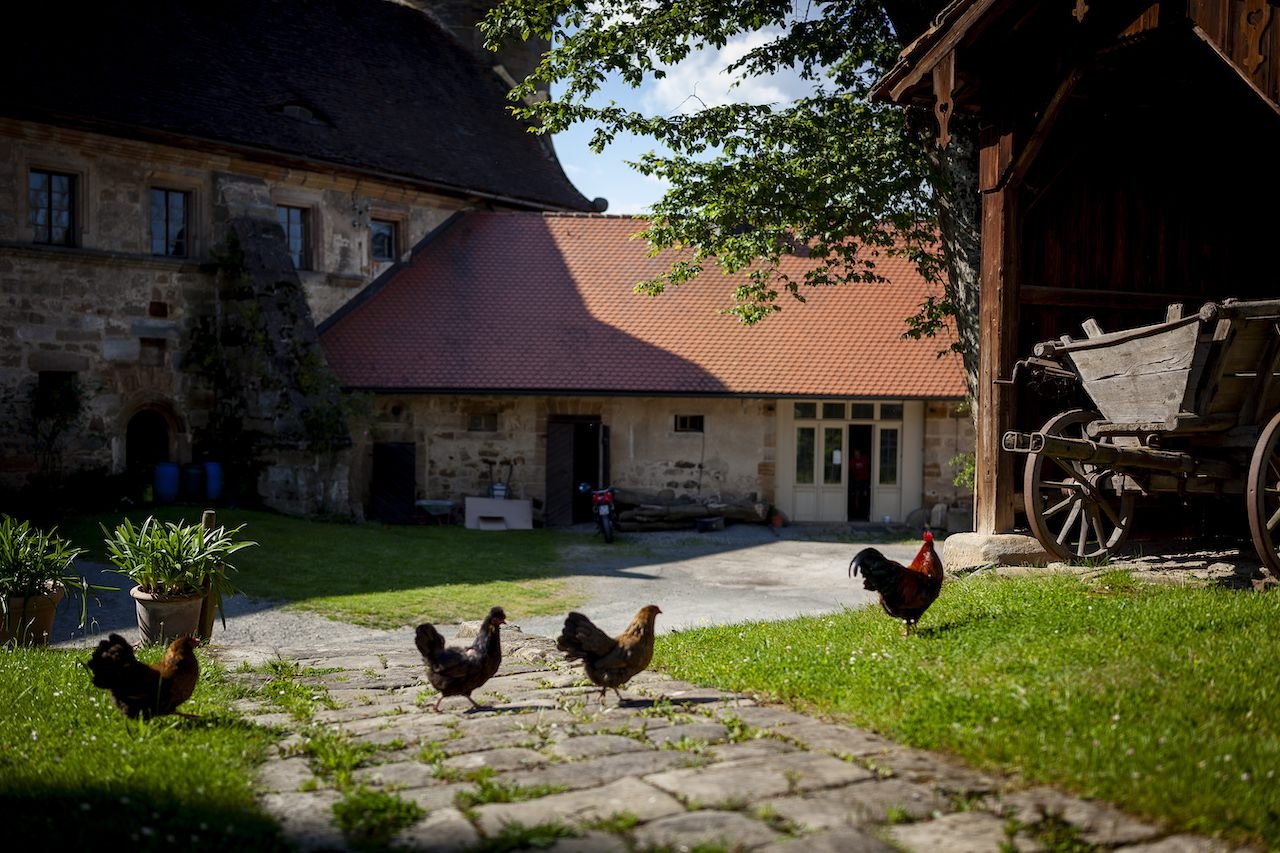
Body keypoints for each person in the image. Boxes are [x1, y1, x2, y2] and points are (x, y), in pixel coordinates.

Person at [851, 448, 871, 520]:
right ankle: (856, 513)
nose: (856, 455)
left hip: (865, 480)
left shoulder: (865, 459)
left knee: (865, 495)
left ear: (860, 453)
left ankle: (865, 513)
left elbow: (870, 466)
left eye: (857, 453)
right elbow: (850, 469)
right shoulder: (853, 461)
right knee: (857, 496)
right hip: (856, 481)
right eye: (855, 454)